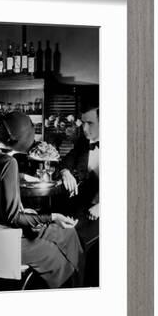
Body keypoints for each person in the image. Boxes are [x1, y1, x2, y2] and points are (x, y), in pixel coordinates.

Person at [0, 112, 83, 289]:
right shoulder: (9, 162)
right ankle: (74, 292)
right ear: (22, 138)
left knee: (68, 234)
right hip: (7, 240)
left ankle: (79, 281)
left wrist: (24, 179)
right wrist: (53, 216)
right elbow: (13, 218)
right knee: (59, 258)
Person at [59, 98, 100, 285]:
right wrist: (65, 172)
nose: (84, 128)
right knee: (64, 236)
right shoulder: (84, 143)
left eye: (89, 123)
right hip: (83, 207)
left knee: (79, 244)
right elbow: (67, 160)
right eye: (82, 122)